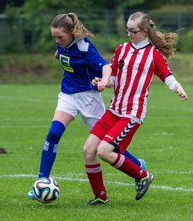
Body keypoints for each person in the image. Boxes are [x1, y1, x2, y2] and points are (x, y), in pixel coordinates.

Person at [27, 12, 145, 199]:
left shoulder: (84, 47)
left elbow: (106, 67)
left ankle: (138, 166)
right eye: (54, 37)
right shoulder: (63, 45)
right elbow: (64, 55)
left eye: (60, 37)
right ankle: (41, 181)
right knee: (54, 133)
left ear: (71, 33)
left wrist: (104, 82)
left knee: (110, 146)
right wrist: (60, 53)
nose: (57, 41)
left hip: (89, 99)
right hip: (68, 95)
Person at [83, 11, 188, 205]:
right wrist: (102, 82)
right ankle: (101, 196)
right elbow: (113, 79)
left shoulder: (153, 55)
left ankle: (142, 175)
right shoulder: (121, 49)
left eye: (133, 31)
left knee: (104, 151)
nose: (129, 34)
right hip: (114, 109)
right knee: (89, 149)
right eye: (127, 30)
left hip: (132, 113)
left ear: (144, 32)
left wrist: (178, 88)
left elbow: (167, 75)